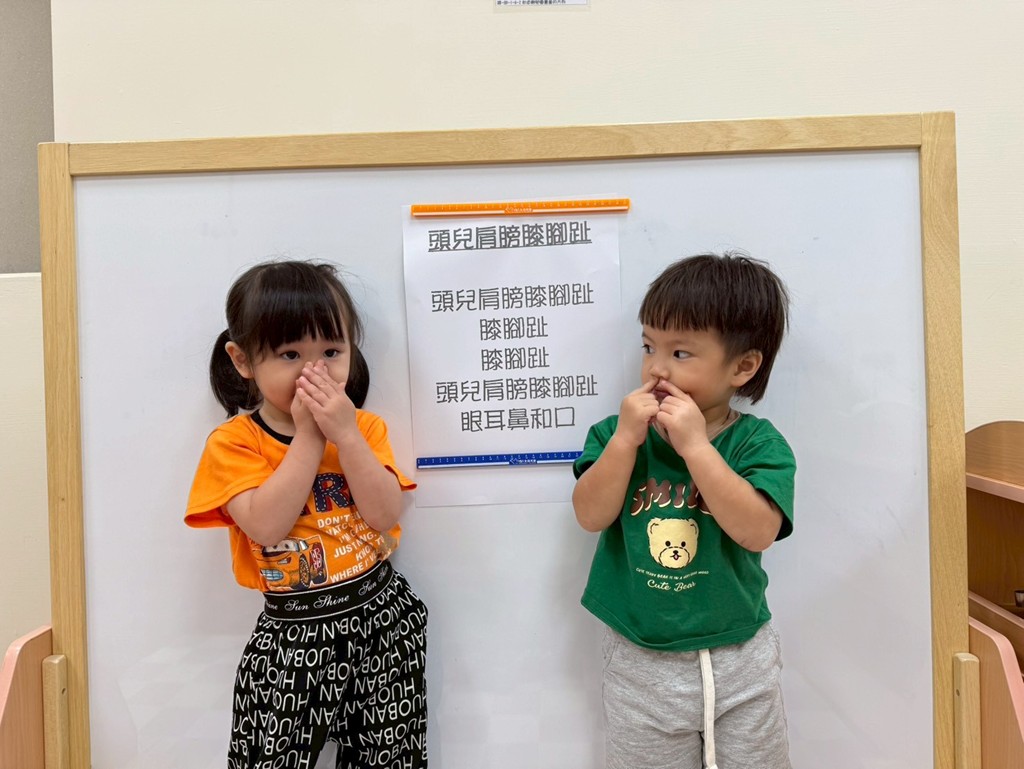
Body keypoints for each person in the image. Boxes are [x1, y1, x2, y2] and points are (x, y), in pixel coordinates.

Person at [185, 260, 427, 769]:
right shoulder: (234, 443)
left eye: (331, 352)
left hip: (381, 618)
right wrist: (311, 437)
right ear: (243, 360)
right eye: (290, 354)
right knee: (270, 757)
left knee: (389, 758)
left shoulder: (364, 429)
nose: (314, 371)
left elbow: (385, 513)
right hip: (294, 636)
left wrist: (346, 436)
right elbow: (266, 526)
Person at [572, 252, 795, 769]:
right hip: (639, 659)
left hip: (740, 658)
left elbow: (758, 531)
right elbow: (590, 515)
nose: (657, 368)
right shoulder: (615, 436)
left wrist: (696, 446)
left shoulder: (758, 444)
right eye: (649, 346)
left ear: (743, 367)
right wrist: (624, 441)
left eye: (680, 353)